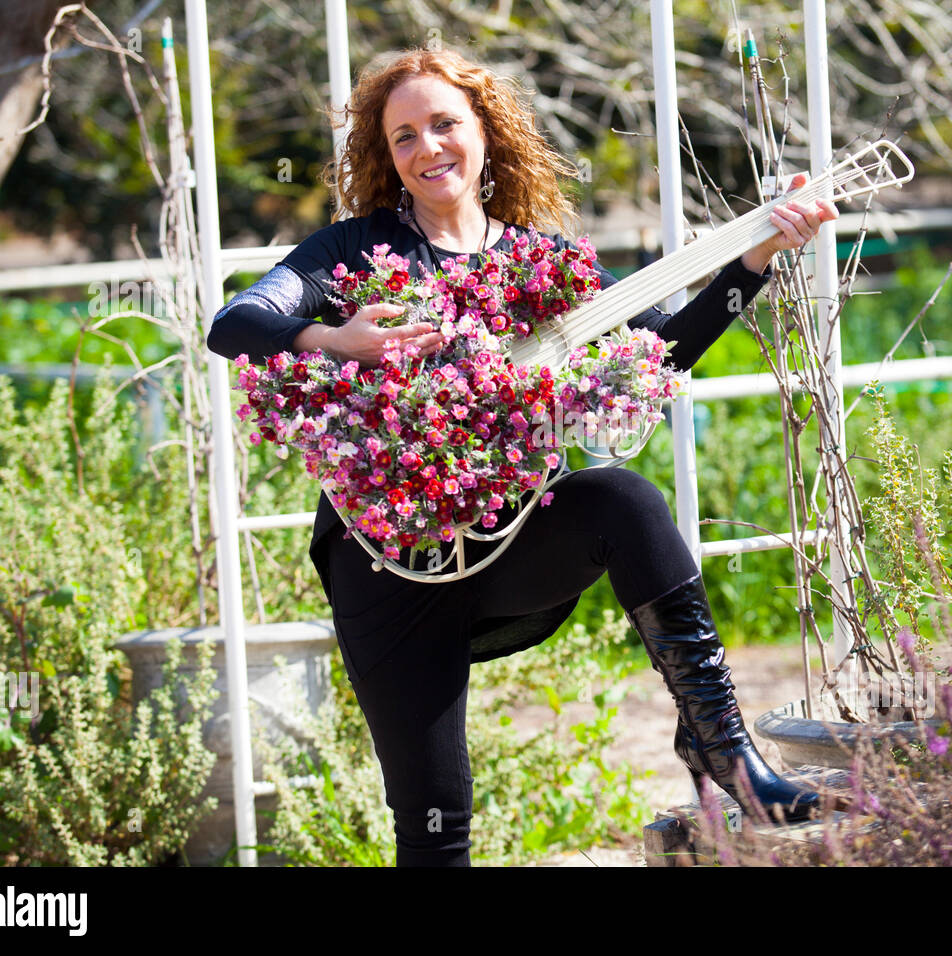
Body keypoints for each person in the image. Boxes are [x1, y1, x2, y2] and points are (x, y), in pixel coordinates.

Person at [206, 47, 839, 867]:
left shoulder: (537, 263)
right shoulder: (352, 254)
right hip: (386, 570)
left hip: (508, 542)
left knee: (625, 501)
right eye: (404, 137)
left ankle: (726, 754)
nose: (428, 148)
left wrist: (753, 260)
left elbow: (655, 354)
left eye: (444, 124)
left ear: (485, 134)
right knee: (436, 821)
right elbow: (236, 325)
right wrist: (336, 337)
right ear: (387, 156)